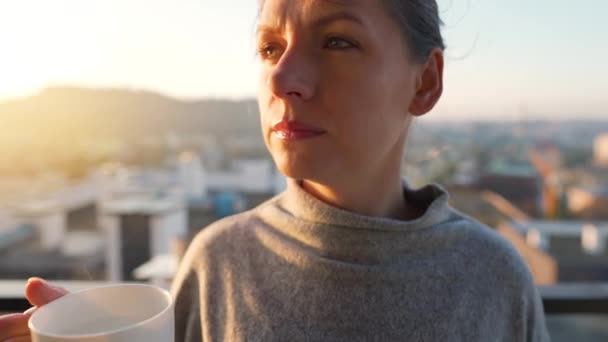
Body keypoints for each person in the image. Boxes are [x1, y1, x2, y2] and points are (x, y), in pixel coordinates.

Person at [0, 0, 551, 341]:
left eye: (337, 41)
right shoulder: (218, 263)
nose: (283, 76)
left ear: (424, 82)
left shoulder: (495, 277)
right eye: (269, 47)